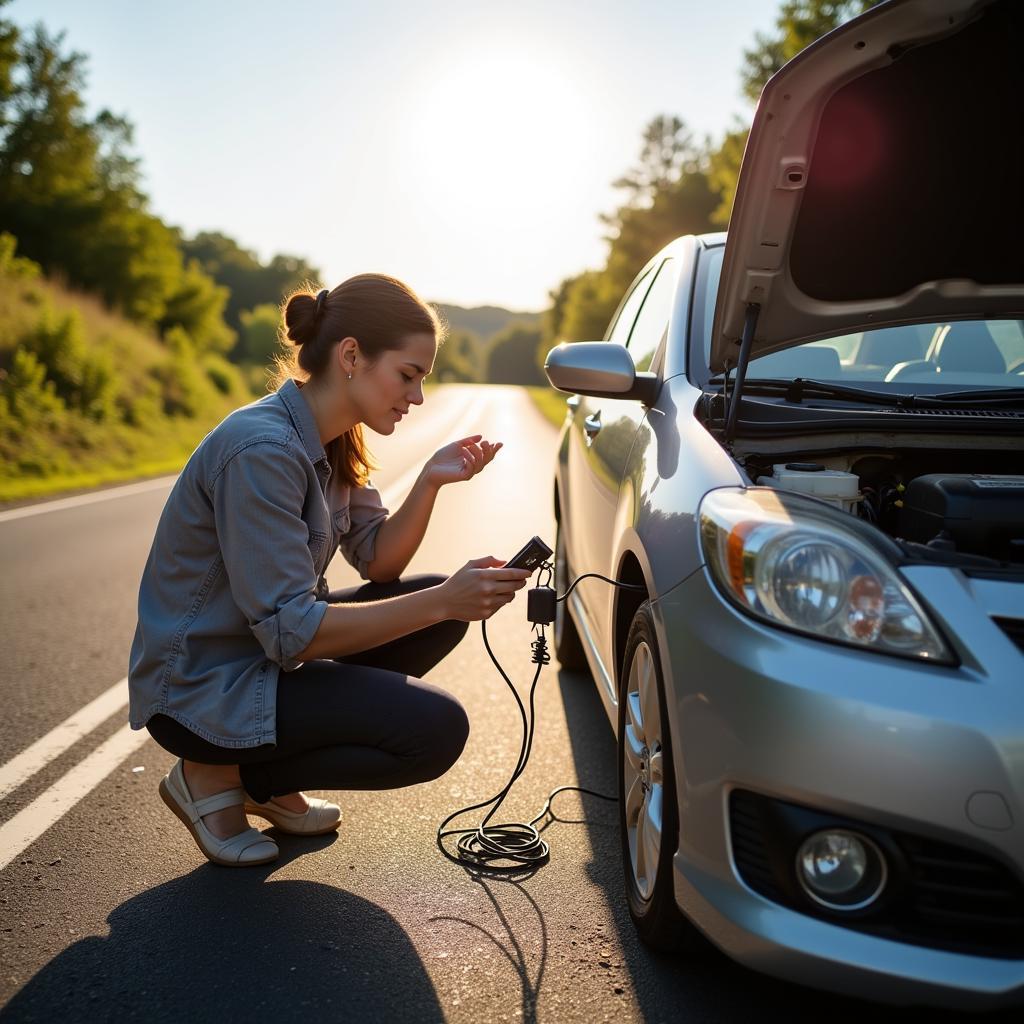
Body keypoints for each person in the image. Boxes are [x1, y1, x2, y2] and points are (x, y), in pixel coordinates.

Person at [127, 273, 533, 867]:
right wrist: (447, 598)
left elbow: (379, 560)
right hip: (203, 691)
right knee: (437, 726)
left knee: (433, 612)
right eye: (408, 374)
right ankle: (213, 775)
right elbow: (292, 631)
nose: (416, 396)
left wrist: (430, 481)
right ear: (351, 356)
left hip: (263, 659)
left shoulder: (334, 437)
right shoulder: (262, 450)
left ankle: (258, 778)